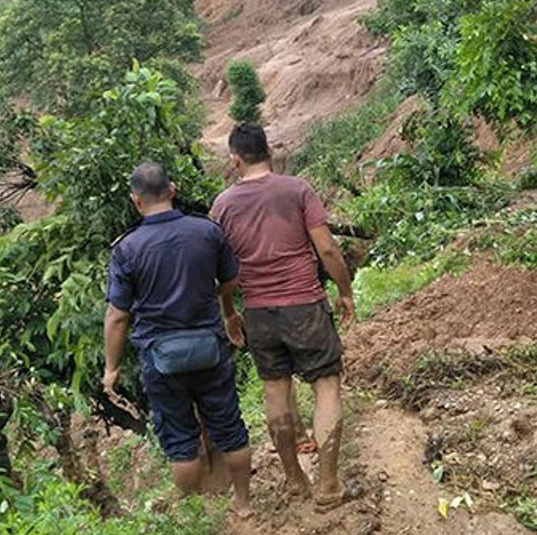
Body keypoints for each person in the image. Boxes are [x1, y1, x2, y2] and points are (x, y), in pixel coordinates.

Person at [210, 122, 356, 512]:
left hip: (258, 312)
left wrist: (230, 315)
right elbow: (326, 249)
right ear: (269, 152)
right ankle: (328, 484)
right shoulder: (297, 190)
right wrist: (344, 291)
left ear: (235, 159)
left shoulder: (222, 206)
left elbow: (223, 276)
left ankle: (295, 480)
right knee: (325, 387)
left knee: (275, 392)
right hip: (305, 306)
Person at [102, 162, 253, 518]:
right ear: (172, 190)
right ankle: (244, 505)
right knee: (230, 429)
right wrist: (213, 296)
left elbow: (117, 315)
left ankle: (198, 516)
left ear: (135, 201)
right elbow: (232, 280)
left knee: (182, 444)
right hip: (210, 349)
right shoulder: (206, 232)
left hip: (160, 359)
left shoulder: (126, 249)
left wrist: (111, 368)